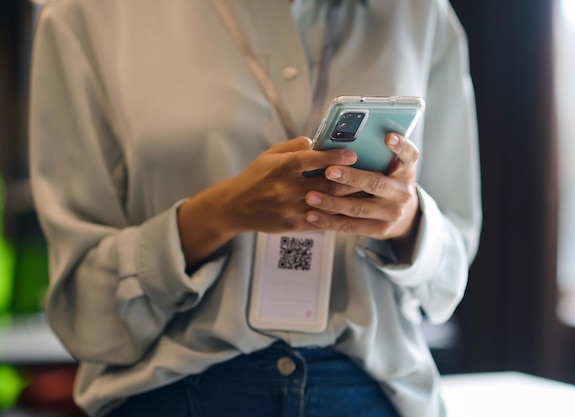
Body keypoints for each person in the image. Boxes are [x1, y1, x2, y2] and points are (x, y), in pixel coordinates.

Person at [28, 0, 481, 416]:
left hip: (369, 392)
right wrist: (219, 215)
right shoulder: (88, 16)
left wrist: (406, 221)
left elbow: (450, 273)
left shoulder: (420, 15)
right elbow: (82, 310)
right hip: (177, 393)